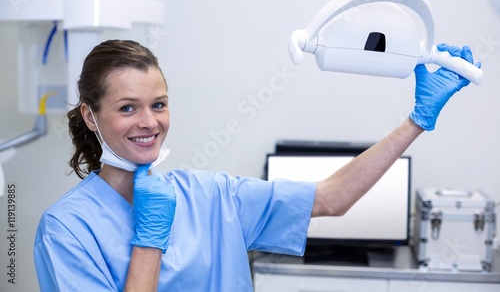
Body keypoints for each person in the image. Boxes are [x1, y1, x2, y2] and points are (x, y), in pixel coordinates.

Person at [33, 39, 480, 292]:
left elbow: (331, 198)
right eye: (127, 108)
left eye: (159, 104)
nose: (149, 122)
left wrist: (416, 120)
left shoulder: (210, 196)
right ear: (91, 116)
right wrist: (149, 241)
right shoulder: (65, 229)